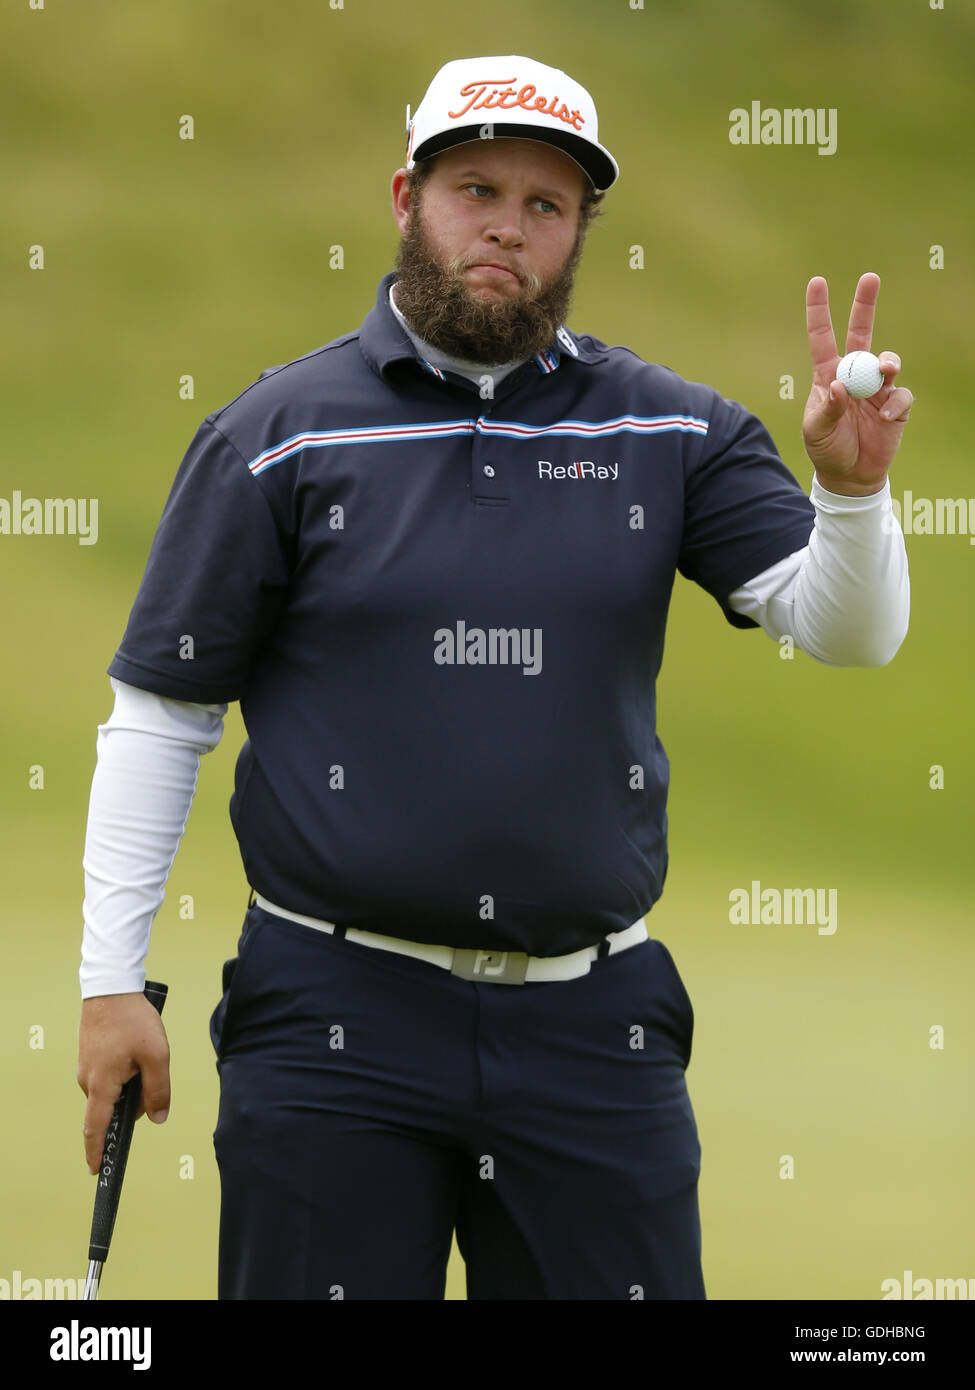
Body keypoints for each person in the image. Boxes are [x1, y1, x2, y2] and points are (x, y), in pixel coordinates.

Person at [77, 55, 912, 1300]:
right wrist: (108, 982)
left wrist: (850, 495)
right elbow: (162, 714)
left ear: (577, 232)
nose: (506, 229)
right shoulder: (279, 432)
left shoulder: (666, 428)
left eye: (545, 205)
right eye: (477, 189)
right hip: (331, 1020)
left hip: (594, 1024)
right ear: (407, 195)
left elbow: (852, 632)